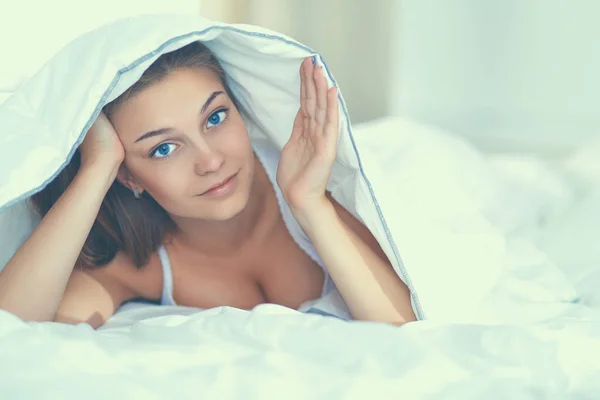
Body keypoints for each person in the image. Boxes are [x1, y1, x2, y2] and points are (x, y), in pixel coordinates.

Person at [0, 41, 416, 328]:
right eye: (164, 148)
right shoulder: (138, 266)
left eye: (215, 118)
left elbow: (407, 328)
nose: (211, 161)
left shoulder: (315, 176)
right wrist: (98, 166)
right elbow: (11, 328)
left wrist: (311, 205)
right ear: (127, 176)